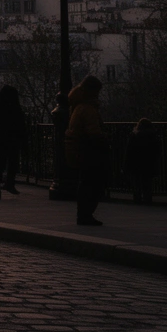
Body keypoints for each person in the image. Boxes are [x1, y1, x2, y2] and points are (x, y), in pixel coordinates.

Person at [65, 75, 108, 226]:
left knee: (86, 182)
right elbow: (93, 132)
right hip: (89, 150)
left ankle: (84, 214)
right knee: (92, 183)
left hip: (80, 149)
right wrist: (104, 137)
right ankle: (86, 214)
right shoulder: (88, 109)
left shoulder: (77, 106)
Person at [0, 85, 26, 200]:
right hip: (13, 138)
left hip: (1, 139)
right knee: (13, 163)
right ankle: (9, 184)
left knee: (1, 164)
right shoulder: (15, 108)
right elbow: (20, 124)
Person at [124, 118, 160, 204]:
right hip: (148, 163)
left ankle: (137, 198)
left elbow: (129, 151)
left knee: (136, 182)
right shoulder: (153, 136)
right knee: (147, 182)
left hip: (136, 162)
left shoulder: (134, 136)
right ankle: (147, 198)